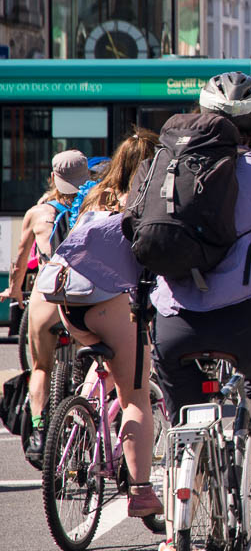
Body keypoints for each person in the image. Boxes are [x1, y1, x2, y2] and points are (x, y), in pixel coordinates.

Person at [56, 73, 251, 519]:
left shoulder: (162, 161)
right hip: (241, 317)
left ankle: (177, 530)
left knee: (181, 419)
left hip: (173, 321)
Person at [37, 129, 163, 516]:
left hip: (65, 301)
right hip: (106, 301)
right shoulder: (143, 201)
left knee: (104, 360)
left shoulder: (94, 194)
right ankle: (141, 492)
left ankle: (82, 415)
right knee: (136, 396)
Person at [3, 149, 91, 464]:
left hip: (47, 294)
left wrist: (14, 290)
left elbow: (19, 261)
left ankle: (40, 431)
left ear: (53, 178)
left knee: (40, 367)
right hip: (84, 296)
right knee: (95, 363)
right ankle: (88, 421)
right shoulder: (96, 207)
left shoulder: (37, 213)